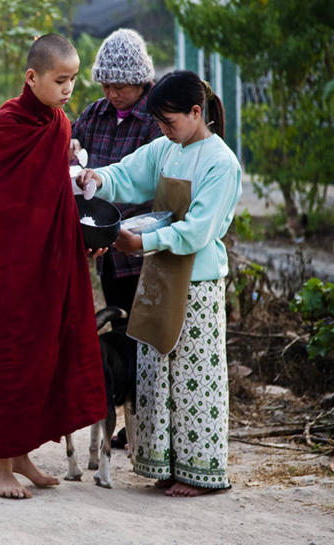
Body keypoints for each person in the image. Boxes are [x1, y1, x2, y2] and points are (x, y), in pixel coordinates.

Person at [75, 70, 241, 497]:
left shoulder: (221, 162)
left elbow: (199, 231)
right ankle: (165, 464)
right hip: (159, 274)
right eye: (160, 125)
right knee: (154, 374)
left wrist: (142, 241)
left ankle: (200, 473)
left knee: (194, 377)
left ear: (196, 112)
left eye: (170, 122)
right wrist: (97, 178)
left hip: (197, 283)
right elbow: (129, 173)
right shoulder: (168, 148)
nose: (164, 131)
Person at [0, 34, 107, 499]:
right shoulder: (10, 121)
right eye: (59, 80)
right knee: (6, 358)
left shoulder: (59, 123)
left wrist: (74, 175)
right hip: (5, 266)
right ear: (31, 77)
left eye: (73, 79)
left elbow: (49, 189)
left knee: (40, 356)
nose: (68, 89)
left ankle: (22, 455)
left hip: (45, 264)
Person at [71, 28, 163, 447]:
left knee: (150, 339)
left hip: (145, 251)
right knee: (121, 332)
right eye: (106, 84)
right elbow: (72, 147)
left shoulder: (156, 121)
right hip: (107, 250)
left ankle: (149, 425)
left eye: (121, 85)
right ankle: (128, 416)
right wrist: (71, 148)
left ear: (142, 81)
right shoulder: (93, 116)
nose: (113, 92)